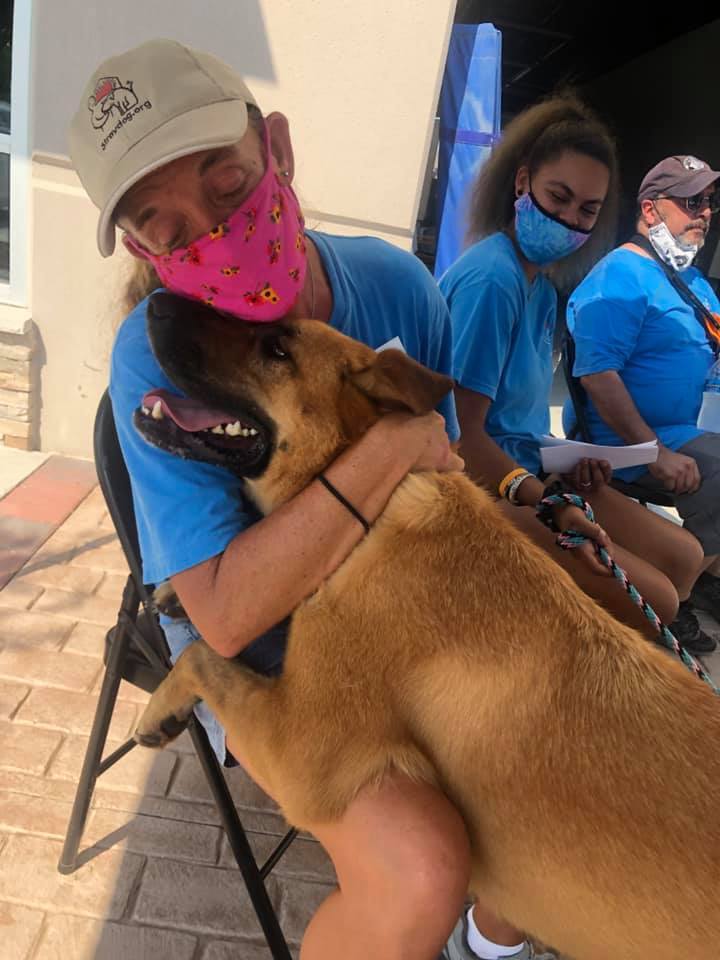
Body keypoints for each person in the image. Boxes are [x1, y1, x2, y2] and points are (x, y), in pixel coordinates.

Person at [70, 38, 471, 960]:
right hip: (258, 639)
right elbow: (225, 613)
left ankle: (493, 933)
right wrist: (387, 455)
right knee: (419, 868)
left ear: (277, 151)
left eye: (226, 184)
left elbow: (469, 449)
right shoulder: (154, 360)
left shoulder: (396, 285)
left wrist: (534, 500)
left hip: (392, 604)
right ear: (136, 246)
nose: (207, 234)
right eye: (161, 224)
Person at [438, 100, 709, 959]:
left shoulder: (532, 278)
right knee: (655, 599)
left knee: (683, 556)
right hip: (478, 497)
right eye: (557, 198)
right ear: (521, 184)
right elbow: (460, 437)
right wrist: (539, 493)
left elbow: (516, 420)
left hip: (540, 472)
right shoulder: (488, 280)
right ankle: (559, 815)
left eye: (587, 209)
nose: (570, 220)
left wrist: (573, 463)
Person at [566, 154, 720, 651]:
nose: (704, 212)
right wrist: (655, 452)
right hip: (623, 444)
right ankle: (676, 597)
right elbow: (597, 375)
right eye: (691, 201)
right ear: (651, 211)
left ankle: (704, 576)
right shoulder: (619, 278)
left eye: (709, 202)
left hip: (682, 427)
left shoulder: (692, 281)